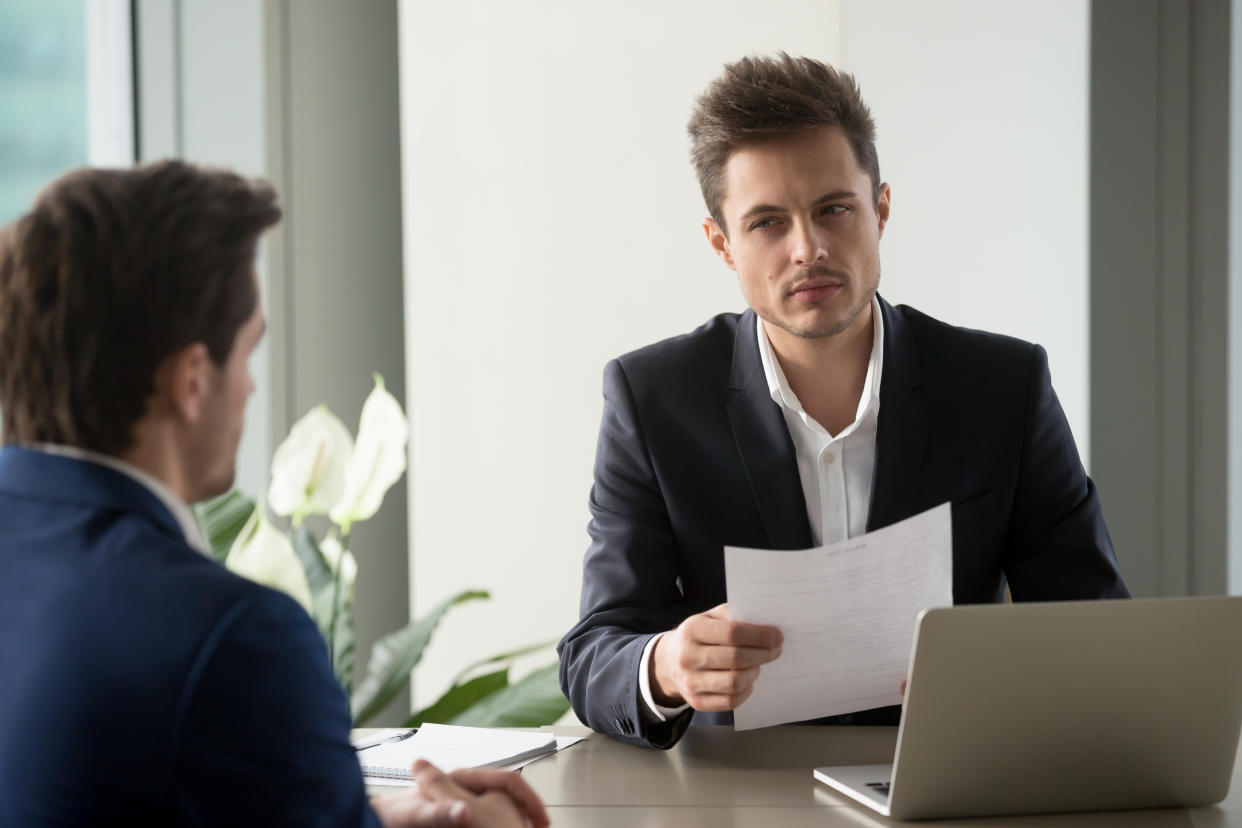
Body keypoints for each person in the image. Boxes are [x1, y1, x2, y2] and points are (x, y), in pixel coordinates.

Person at [558, 53, 1129, 750]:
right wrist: (666, 666)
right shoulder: (652, 400)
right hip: (737, 798)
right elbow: (594, 652)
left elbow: (1092, 629)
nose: (809, 249)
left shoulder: (1003, 387)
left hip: (949, 780)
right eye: (768, 222)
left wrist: (1003, 679)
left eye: (834, 209)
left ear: (880, 210)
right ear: (721, 244)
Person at [0, 161, 548, 828]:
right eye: (248, 352)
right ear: (193, 379)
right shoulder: (231, 638)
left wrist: (372, 815)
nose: (252, 389)